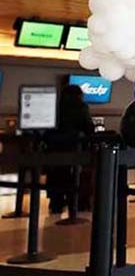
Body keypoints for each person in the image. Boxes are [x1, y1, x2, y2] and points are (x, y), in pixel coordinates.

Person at [46, 85, 94, 214]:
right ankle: (77, 203)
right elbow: (89, 128)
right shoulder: (81, 107)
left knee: (56, 175)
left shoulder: (54, 107)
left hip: (54, 149)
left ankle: (55, 203)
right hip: (75, 148)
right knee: (75, 176)